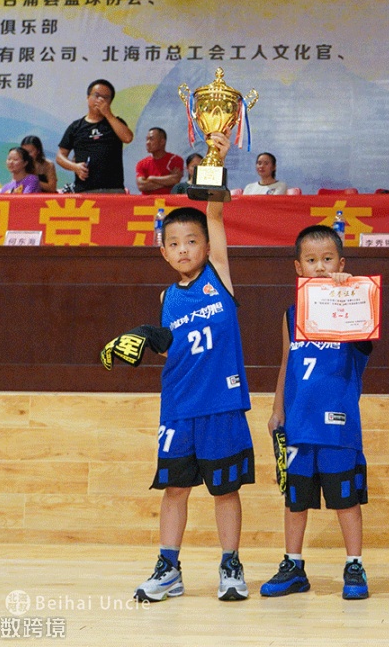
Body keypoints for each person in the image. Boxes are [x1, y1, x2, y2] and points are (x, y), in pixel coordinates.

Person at [133, 132, 255, 604]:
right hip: (179, 409)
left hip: (221, 405)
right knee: (174, 490)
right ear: (163, 251)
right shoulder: (166, 297)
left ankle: (230, 565)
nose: (183, 249)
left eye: (191, 241)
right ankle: (168, 568)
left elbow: (216, 213)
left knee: (225, 492)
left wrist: (215, 156)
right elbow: (174, 352)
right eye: (174, 243)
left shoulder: (218, 276)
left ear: (206, 246)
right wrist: (146, 343)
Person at [259, 225, 372, 601]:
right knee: (295, 500)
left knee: (346, 501)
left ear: (341, 263)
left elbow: (367, 341)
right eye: (311, 260)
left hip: (339, 428)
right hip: (298, 425)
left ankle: (354, 564)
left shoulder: (356, 307)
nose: (320, 267)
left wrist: (350, 291)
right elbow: (286, 363)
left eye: (328, 259)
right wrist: (277, 409)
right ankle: (293, 565)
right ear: (298, 267)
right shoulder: (291, 314)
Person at [56, 79, 134, 193]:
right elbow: (60, 156)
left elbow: (128, 138)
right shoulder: (76, 127)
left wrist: (108, 114)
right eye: (96, 96)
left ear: (110, 102)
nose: (100, 100)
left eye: (105, 98)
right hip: (84, 190)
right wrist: (75, 167)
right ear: (88, 98)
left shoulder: (116, 122)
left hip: (113, 189)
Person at [135, 128, 185, 196]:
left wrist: (151, 178)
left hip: (169, 201)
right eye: (147, 139)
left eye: (151, 139)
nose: (147, 143)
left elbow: (175, 180)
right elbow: (141, 186)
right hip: (148, 202)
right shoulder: (142, 164)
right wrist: (167, 182)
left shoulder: (175, 160)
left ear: (162, 142)